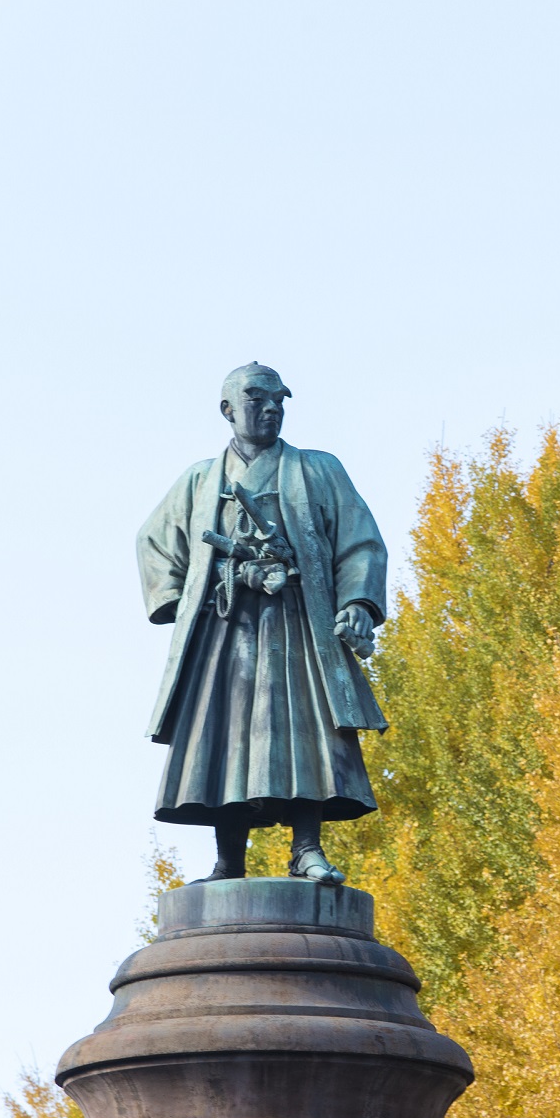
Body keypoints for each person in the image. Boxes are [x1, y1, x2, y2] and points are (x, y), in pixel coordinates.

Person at [137, 362, 387, 883]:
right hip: (226, 627)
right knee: (226, 736)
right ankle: (229, 859)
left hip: (299, 622)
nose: (272, 408)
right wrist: (184, 599)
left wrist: (359, 603)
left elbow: (359, 541)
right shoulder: (200, 481)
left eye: (280, 400)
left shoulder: (319, 470)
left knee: (306, 731)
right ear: (227, 409)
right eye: (257, 399)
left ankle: (307, 847)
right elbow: (155, 542)